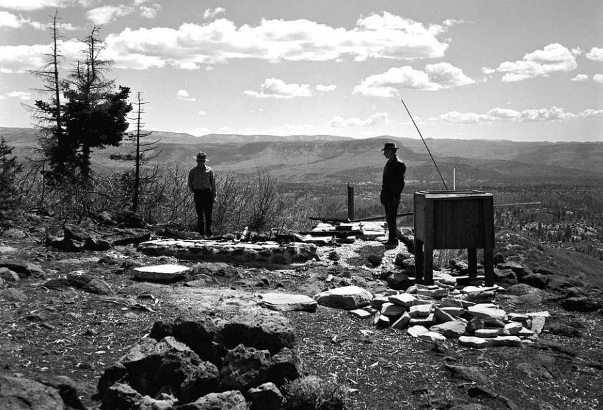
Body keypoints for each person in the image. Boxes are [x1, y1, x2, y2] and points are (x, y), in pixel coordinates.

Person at [380, 142, 406, 248]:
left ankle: (393, 241)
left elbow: (400, 183)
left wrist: (395, 196)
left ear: (391, 151)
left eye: (385, 151)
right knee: (389, 218)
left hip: (392, 196)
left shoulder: (399, 164)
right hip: (387, 195)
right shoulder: (390, 163)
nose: (384, 153)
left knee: (391, 218)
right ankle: (391, 240)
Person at [188, 152, 216, 236]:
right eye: (198, 160)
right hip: (198, 193)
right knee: (200, 215)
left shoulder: (209, 170)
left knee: (208, 215)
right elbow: (189, 182)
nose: (199, 162)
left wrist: (214, 196)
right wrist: (194, 191)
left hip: (207, 193)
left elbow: (213, 183)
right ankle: (201, 234)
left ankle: (208, 232)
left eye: (201, 161)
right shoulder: (193, 171)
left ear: (204, 161)